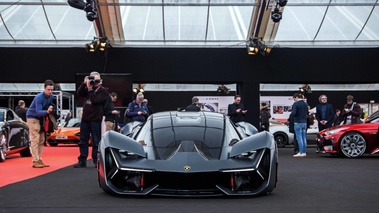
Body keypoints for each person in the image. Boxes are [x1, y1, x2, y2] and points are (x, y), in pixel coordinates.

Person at [74, 71, 108, 168]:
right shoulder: (89, 88)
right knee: (83, 140)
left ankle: (96, 160)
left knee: (96, 141)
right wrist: (84, 83)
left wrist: (90, 89)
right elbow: (79, 93)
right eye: (93, 79)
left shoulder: (103, 91)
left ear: (100, 80)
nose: (95, 82)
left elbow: (96, 100)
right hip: (85, 119)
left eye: (96, 80)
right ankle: (82, 160)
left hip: (95, 119)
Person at [26, 79, 55, 168]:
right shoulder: (39, 98)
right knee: (35, 139)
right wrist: (47, 111)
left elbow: (50, 105)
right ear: (44, 88)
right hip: (32, 118)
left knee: (42, 140)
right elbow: (38, 112)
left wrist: (50, 108)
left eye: (51, 90)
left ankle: (39, 159)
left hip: (41, 119)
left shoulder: (51, 97)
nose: (50, 91)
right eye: (48, 89)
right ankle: (35, 160)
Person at [290, 93, 309, 157]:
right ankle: (304, 152)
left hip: (298, 122)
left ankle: (300, 152)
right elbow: (307, 113)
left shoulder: (296, 104)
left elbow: (294, 113)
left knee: (299, 138)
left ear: (297, 97)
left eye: (294, 98)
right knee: (304, 138)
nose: (294, 100)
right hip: (304, 122)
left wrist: (291, 114)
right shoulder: (305, 104)